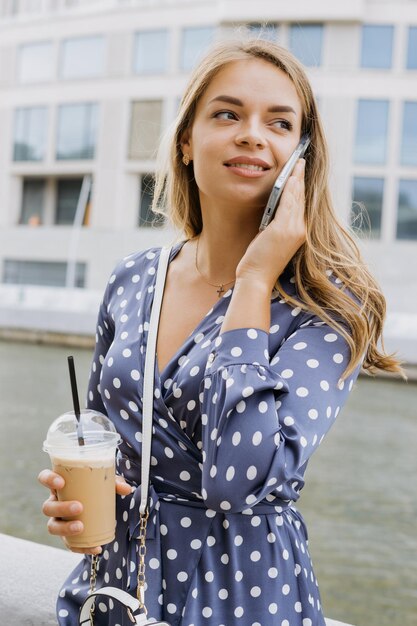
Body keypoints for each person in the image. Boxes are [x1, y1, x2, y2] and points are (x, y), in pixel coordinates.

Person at [39, 38, 403, 625]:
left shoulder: (327, 306)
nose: (253, 134)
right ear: (186, 140)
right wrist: (80, 504)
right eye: (227, 113)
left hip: (243, 597)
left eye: (279, 122)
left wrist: (255, 279)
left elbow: (240, 479)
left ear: (301, 156)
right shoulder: (134, 279)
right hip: (116, 591)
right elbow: (108, 445)